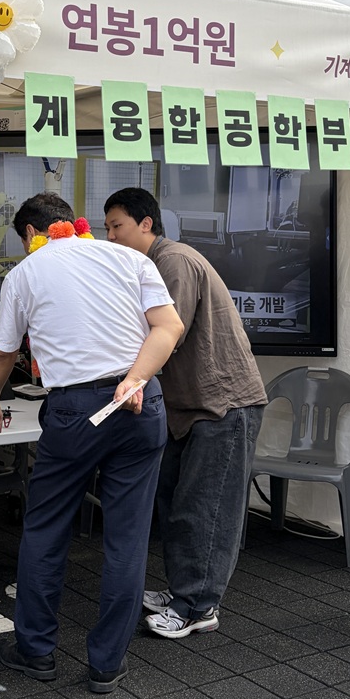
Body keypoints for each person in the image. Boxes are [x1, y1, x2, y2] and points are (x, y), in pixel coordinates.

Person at [0, 193, 183, 692]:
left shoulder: (26, 273)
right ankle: (107, 663)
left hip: (74, 409)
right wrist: (133, 379)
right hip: (140, 404)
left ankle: (35, 651)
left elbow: (3, 352)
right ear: (73, 222)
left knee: (46, 529)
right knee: (127, 539)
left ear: (30, 233)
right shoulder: (130, 258)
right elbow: (168, 327)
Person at [103, 187, 267, 640]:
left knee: (205, 509)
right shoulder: (153, 264)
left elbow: (165, 334)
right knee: (177, 504)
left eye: (117, 226)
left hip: (223, 405)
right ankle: (183, 590)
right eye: (107, 228)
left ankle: (197, 606)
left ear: (146, 224)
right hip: (189, 406)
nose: (110, 237)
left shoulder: (172, 261)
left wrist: (122, 373)